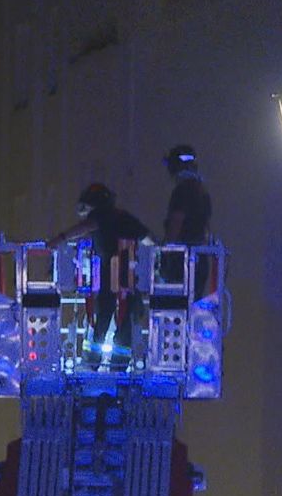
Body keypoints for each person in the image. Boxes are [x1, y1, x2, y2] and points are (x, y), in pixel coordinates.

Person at [49, 183, 152, 368]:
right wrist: (164, 252)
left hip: (108, 278)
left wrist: (59, 239)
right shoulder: (124, 217)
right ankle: (119, 365)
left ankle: (92, 361)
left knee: (101, 320)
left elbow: (83, 228)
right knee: (126, 320)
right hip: (127, 280)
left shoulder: (101, 216)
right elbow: (148, 238)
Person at [161, 145, 213, 292]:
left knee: (175, 301)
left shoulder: (182, 190)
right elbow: (206, 228)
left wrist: (165, 252)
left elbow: (176, 223)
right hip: (199, 261)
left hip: (182, 261)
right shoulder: (202, 192)